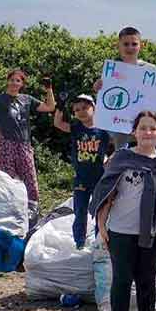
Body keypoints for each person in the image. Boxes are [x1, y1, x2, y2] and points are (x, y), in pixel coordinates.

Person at [89, 110, 156, 311]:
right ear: (134, 132)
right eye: (143, 128)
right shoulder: (121, 158)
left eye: (153, 128)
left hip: (155, 231)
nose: (148, 132)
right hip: (121, 231)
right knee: (122, 281)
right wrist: (102, 225)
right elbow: (106, 193)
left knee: (147, 282)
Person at [0, 68, 55, 220]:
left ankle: (33, 212)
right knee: (6, 180)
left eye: (18, 80)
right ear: (7, 81)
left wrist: (49, 89)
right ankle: (6, 212)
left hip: (24, 144)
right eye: (12, 80)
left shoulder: (27, 99)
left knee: (30, 178)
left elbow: (50, 107)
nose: (14, 83)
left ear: (22, 84)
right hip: (6, 144)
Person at [53, 94, 110, 249]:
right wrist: (60, 105)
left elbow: (121, 141)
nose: (81, 112)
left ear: (94, 108)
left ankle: (100, 240)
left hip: (100, 177)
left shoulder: (104, 129)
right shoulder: (76, 128)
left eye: (85, 108)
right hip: (81, 178)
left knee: (101, 211)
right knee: (80, 209)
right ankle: (79, 242)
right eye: (77, 110)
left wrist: (112, 157)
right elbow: (58, 123)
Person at [92, 27, 156, 151]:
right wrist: (97, 88)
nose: (130, 47)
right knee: (122, 156)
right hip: (119, 130)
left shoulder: (150, 69)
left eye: (134, 44)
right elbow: (106, 100)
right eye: (126, 44)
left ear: (141, 45)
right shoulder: (111, 70)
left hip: (145, 127)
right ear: (118, 45)